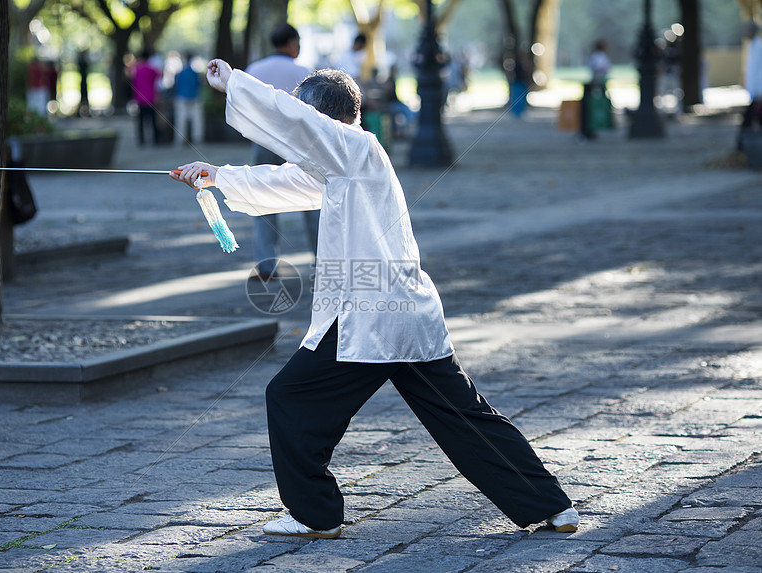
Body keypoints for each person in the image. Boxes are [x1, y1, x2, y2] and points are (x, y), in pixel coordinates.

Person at [172, 58, 579, 539]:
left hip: (370, 317)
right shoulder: (343, 162)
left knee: (290, 397)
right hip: (401, 317)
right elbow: (287, 181)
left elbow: (293, 122)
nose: (302, 133)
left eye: (310, 119)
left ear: (328, 119)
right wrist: (217, 174)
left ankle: (315, 514)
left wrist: (234, 83)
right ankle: (552, 506)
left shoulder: (355, 148)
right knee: (464, 417)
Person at [244, 23, 317, 280]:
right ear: (292, 42)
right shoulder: (304, 72)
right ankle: (323, 262)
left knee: (264, 200)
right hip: (298, 143)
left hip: (264, 140)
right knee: (312, 201)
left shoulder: (254, 70)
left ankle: (266, 265)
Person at [580, 39, 612, 139]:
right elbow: (599, 70)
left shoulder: (594, 56)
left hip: (596, 83)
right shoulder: (600, 57)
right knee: (595, 106)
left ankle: (591, 129)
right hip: (598, 84)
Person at [130, 50, 161, 145]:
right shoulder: (151, 69)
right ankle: (156, 140)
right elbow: (159, 76)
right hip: (151, 97)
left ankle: (141, 140)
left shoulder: (136, 70)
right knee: (153, 120)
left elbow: (133, 84)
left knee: (141, 121)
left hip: (140, 98)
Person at [739, 22, 762, 151]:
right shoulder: (751, 45)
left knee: (748, 120)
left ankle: (742, 148)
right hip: (754, 91)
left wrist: (759, 91)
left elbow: (759, 71)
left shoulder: (759, 46)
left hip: (759, 91)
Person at [173, 52, 204, 145]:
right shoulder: (195, 73)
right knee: (197, 121)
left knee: (180, 121)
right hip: (194, 98)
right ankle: (197, 139)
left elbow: (176, 86)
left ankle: (180, 140)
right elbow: (199, 85)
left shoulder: (180, 73)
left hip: (182, 98)